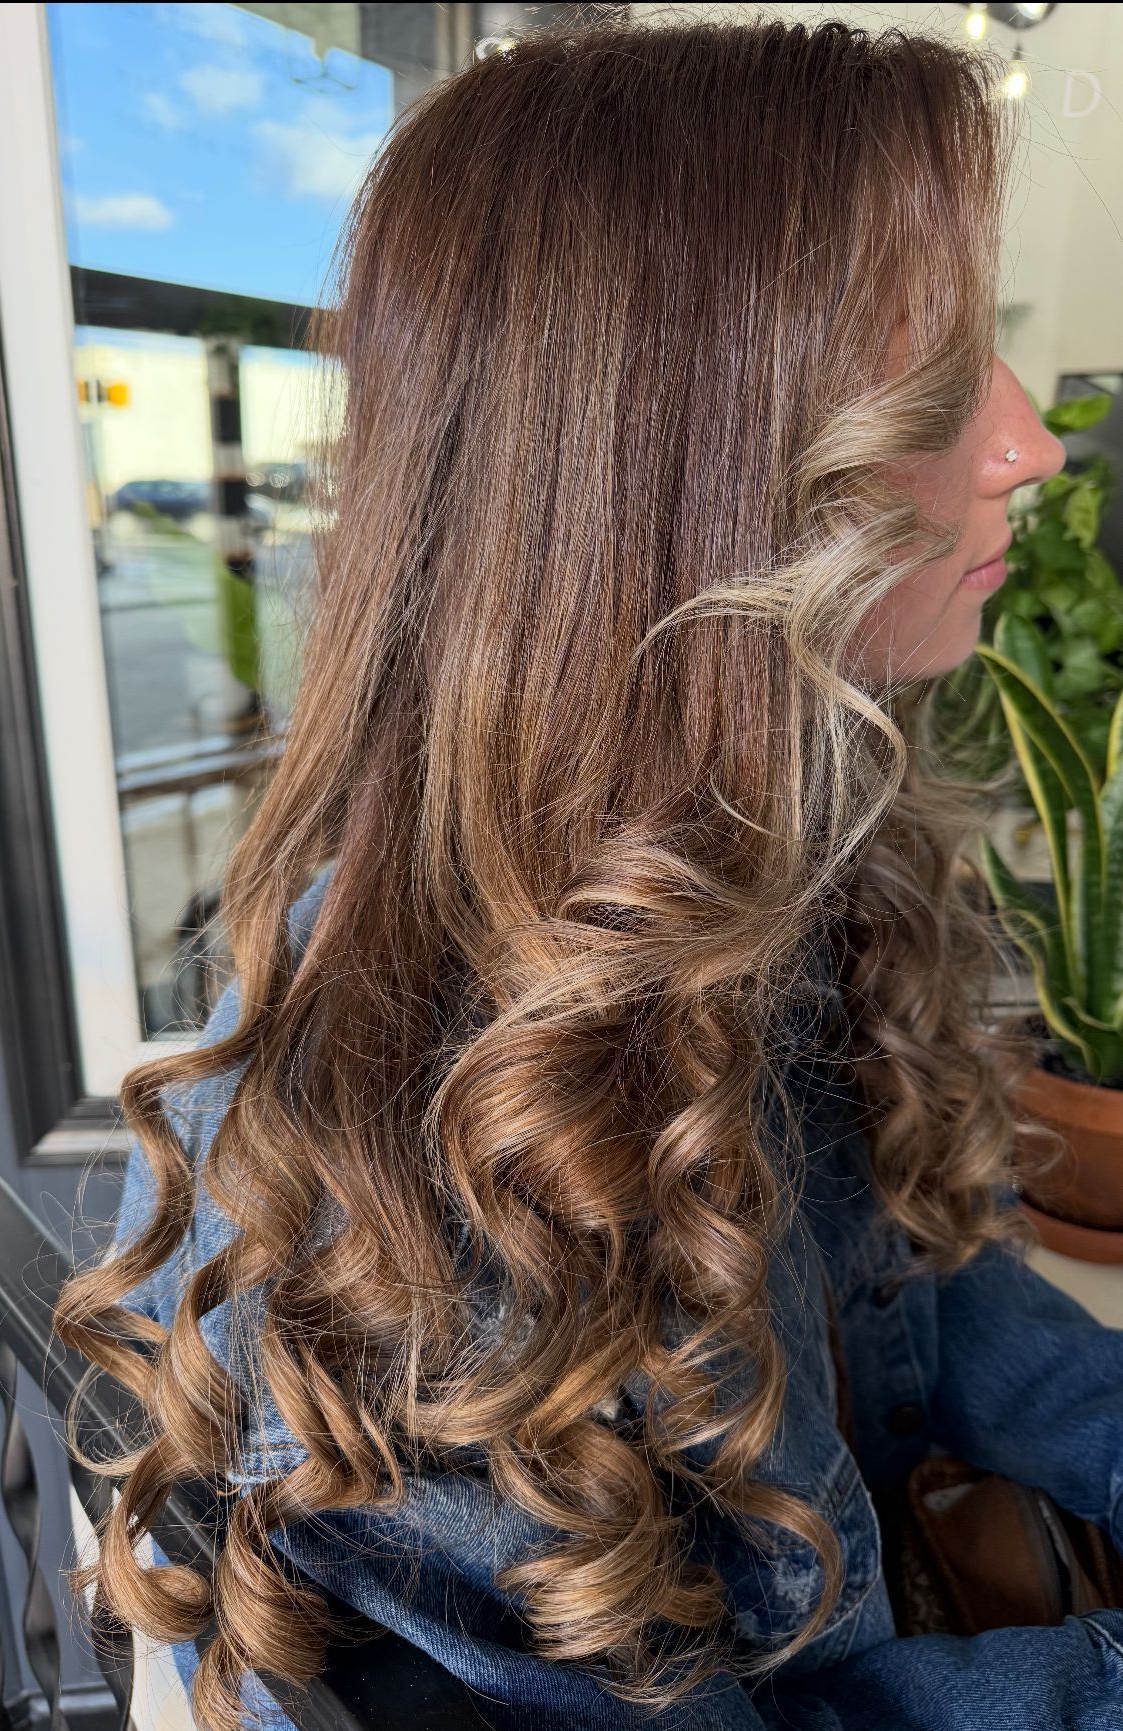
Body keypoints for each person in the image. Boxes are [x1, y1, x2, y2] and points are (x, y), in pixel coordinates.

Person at [55, 16, 1123, 1731]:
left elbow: (909, 1303)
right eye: (933, 380)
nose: (1028, 446)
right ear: (689, 471)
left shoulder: (730, 899)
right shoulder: (438, 1176)